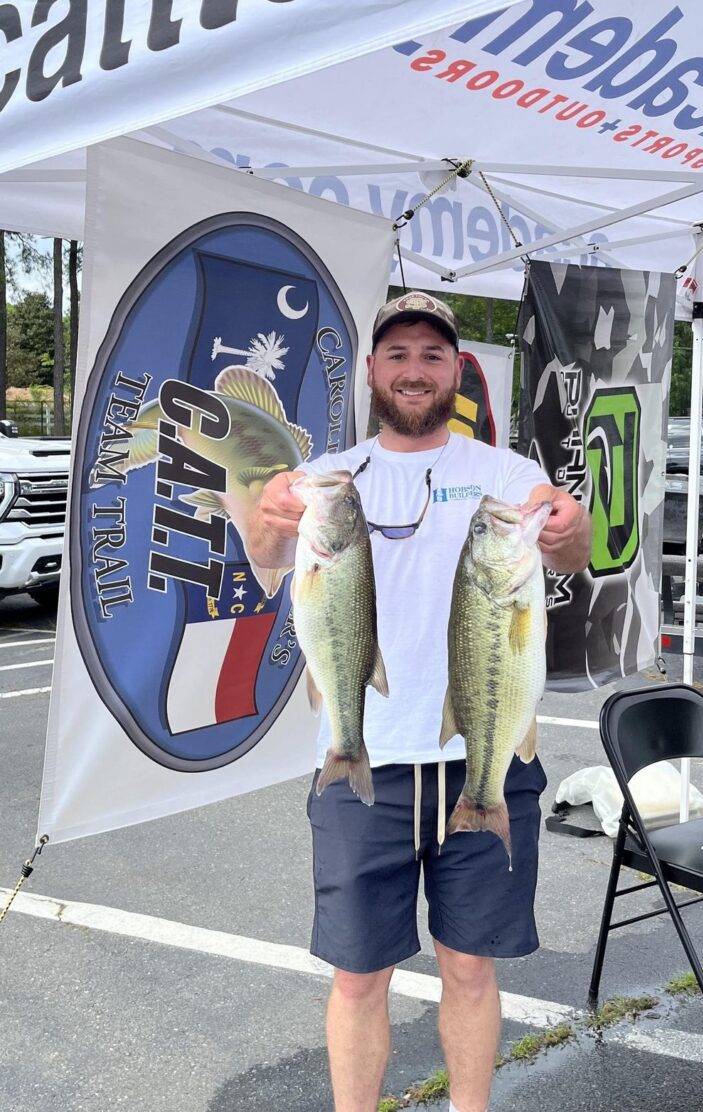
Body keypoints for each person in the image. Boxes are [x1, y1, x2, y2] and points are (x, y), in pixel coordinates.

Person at [246, 291, 592, 1112]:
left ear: (456, 371)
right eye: (397, 354)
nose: (414, 369)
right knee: (359, 974)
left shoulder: (502, 476)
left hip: (486, 758)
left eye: (432, 355)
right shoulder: (329, 477)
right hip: (366, 755)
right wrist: (267, 519)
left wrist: (568, 528)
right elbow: (267, 557)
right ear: (372, 370)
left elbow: (572, 544)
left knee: (471, 968)